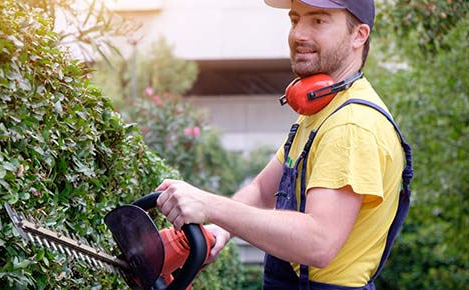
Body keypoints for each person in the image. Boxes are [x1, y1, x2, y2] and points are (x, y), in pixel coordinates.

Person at [155, 0, 413, 289]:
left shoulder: (351, 126)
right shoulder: (323, 111)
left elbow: (318, 242)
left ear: (359, 35)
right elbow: (263, 190)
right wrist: (219, 230)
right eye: (295, 19)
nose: (299, 34)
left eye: (318, 21)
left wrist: (210, 205)